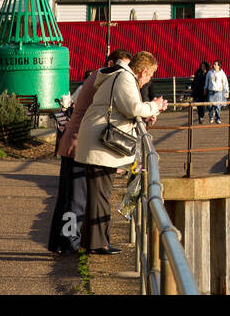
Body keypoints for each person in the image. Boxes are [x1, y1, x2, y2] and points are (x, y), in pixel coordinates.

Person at [75, 50, 168, 255]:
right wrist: (155, 105)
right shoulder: (125, 78)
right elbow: (133, 108)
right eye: (150, 75)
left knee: (98, 194)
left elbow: (126, 109)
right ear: (143, 72)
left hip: (96, 143)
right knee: (100, 195)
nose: (149, 80)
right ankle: (99, 244)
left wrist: (149, 112)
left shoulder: (119, 76)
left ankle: (91, 242)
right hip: (99, 147)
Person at [48, 67, 100, 254]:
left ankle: (59, 241)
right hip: (78, 148)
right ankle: (70, 240)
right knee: (75, 200)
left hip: (72, 146)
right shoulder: (98, 86)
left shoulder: (88, 85)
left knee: (67, 198)